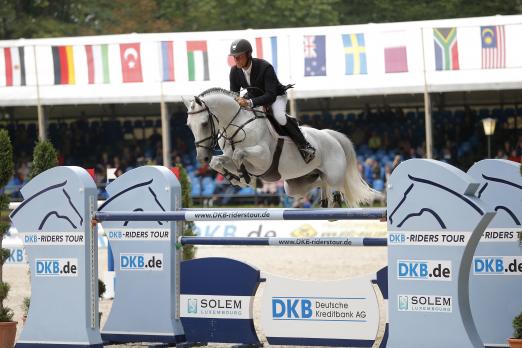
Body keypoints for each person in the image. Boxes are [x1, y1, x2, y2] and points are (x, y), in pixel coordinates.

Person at [228, 38, 316, 163]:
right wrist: (238, 101)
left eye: (238, 57)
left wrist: (248, 102)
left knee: (279, 116)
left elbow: (271, 95)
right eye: (234, 57)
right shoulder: (234, 71)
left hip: (276, 96)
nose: (236, 60)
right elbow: (234, 94)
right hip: (254, 97)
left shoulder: (265, 67)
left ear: (248, 54)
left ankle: (305, 145)